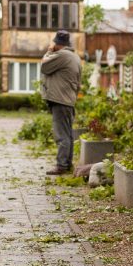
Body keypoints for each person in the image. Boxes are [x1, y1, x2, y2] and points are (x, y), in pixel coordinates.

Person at [40, 29, 82, 176]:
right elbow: (79, 82)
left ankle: (61, 166)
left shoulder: (61, 55)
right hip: (68, 100)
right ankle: (67, 164)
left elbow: (44, 66)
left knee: (61, 134)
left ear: (57, 43)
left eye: (54, 43)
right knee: (68, 133)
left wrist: (48, 52)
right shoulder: (75, 57)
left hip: (60, 100)